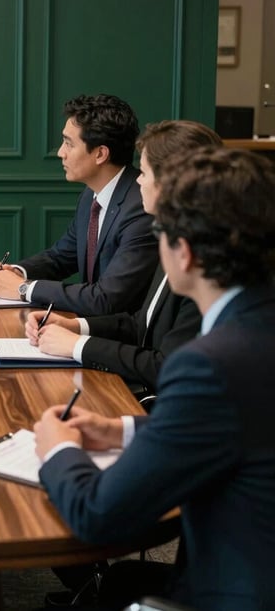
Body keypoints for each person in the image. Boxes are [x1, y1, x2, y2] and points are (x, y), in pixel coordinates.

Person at [33, 147, 275, 610]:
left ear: (182, 254)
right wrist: (122, 428)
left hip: (226, 593)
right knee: (121, 581)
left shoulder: (211, 363)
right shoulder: (254, 328)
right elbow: (243, 424)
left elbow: (98, 516)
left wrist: (56, 447)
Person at [25, 121, 221, 396]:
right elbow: (142, 323)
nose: (137, 179)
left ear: (172, 183)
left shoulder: (205, 260)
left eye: (144, 172)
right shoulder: (175, 235)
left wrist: (76, 345)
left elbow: (166, 365)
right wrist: (75, 326)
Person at [0, 94, 157, 315]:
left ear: (100, 154)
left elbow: (107, 298)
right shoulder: (90, 195)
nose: (60, 153)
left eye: (68, 143)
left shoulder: (141, 208)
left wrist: (23, 289)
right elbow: (62, 256)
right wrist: (15, 272)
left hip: (120, 338)